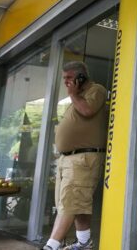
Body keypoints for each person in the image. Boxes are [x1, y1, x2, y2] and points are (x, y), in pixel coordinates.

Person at [41, 61, 109, 250]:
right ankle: (84, 243)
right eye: (64, 78)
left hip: (83, 158)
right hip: (68, 158)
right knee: (77, 203)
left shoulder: (96, 90)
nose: (66, 82)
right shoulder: (77, 97)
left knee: (70, 202)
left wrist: (73, 94)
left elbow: (87, 111)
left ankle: (51, 246)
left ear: (81, 76)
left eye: (69, 77)